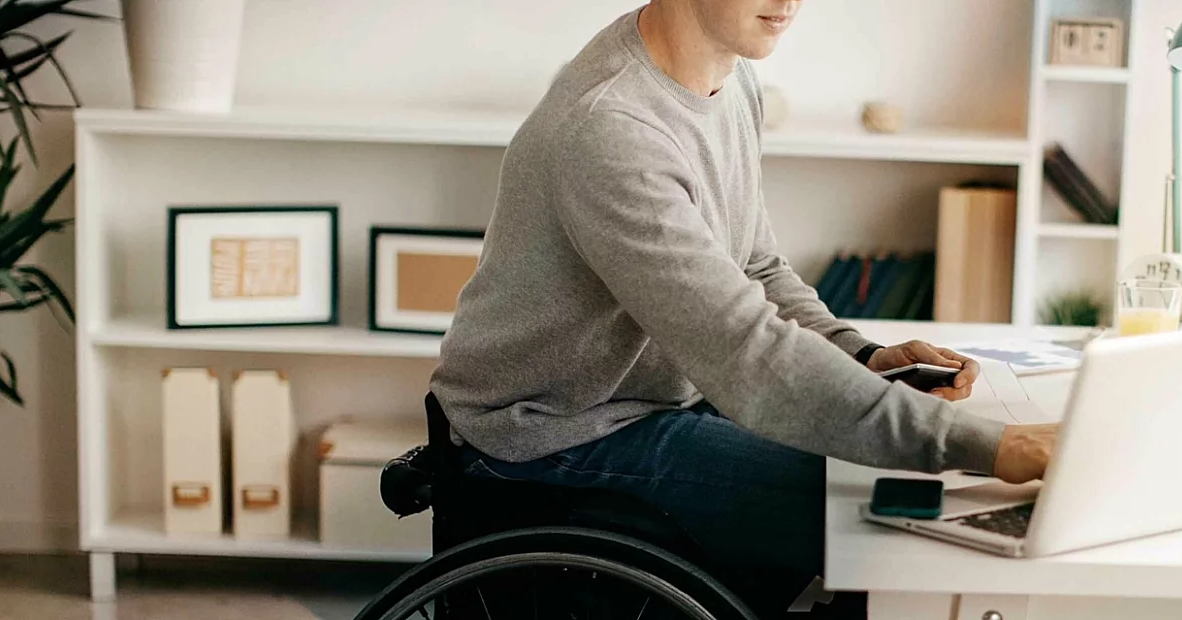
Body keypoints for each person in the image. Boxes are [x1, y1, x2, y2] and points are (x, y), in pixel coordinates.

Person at [428, 0, 1058, 613]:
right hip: (554, 430)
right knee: (878, 509)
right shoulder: (612, 131)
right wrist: (988, 445)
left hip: (656, 400)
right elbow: (746, 355)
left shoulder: (731, 79)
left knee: (880, 478)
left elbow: (755, 268)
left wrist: (862, 353)